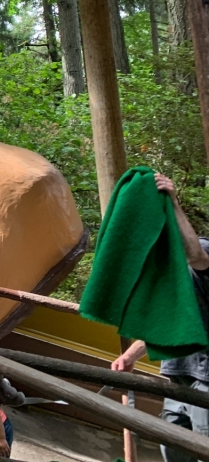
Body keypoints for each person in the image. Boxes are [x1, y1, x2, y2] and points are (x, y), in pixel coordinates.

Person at [112, 172, 209, 462]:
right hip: (177, 373)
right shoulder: (164, 272)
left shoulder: (201, 249)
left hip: (206, 379)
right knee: (172, 448)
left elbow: (195, 256)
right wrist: (130, 356)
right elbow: (167, 323)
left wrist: (173, 202)